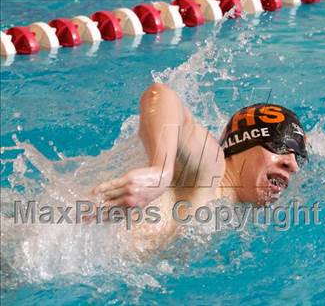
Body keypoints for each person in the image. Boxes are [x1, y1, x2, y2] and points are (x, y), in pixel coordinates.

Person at [91, 83, 307, 247]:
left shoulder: (227, 211)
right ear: (243, 143)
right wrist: (161, 171)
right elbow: (161, 95)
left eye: (298, 156)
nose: (292, 165)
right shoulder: (211, 168)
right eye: (279, 146)